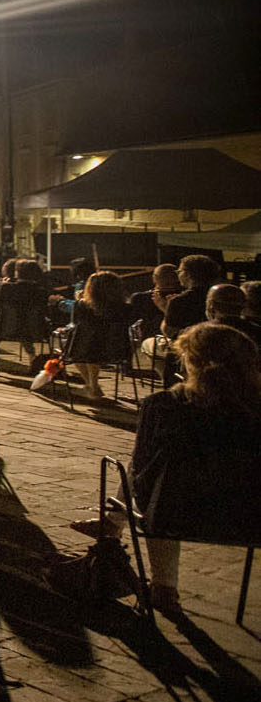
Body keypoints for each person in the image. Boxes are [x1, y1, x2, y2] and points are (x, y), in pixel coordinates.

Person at [127, 322, 261, 615]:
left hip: (176, 515)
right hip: (251, 518)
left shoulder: (163, 405)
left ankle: (162, 584)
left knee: (150, 473)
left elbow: (141, 472)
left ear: (192, 361)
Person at [63, 271, 132, 401]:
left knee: (79, 343)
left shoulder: (82, 305)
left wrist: (78, 300)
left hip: (87, 351)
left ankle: (92, 385)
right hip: (118, 350)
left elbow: (75, 323)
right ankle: (92, 385)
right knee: (91, 343)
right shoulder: (125, 307)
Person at [161, 254, 219, 339]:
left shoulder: (179, 301)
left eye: (179, 271)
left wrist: (166, 309)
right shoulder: (219, 295)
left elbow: (169, 331)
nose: (178, 274)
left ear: (187, 274)